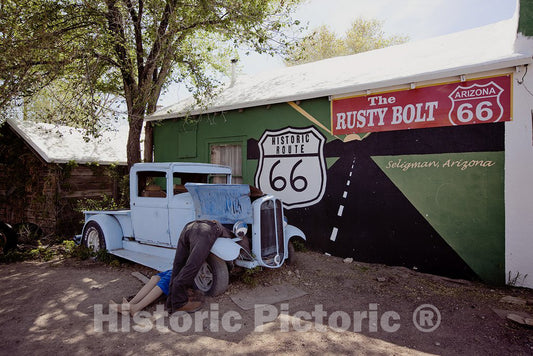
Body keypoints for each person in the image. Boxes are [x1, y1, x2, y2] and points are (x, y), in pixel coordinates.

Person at [166, 219, 233, 313]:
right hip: (205, 231)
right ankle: (179, 303)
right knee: (192, 265)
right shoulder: (227, 232)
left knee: (178, 264)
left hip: (189, 226)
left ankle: (170, 302)